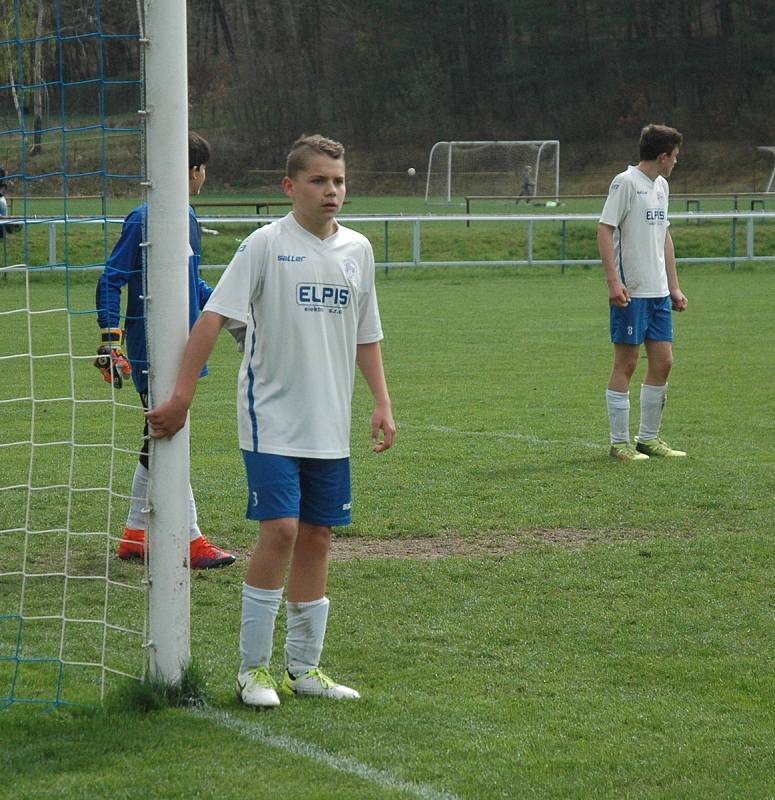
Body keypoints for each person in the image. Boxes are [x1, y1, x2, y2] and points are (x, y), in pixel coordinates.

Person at [146, 134, 395, 707]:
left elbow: (367, 333)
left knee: (318, 536)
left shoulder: (358, 249)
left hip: (330, 423)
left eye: (338, 181)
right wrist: (184, 395)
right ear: (290, 187)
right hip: (271, 420)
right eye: (318, 180)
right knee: (281, 531)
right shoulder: (264, 245)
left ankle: (304, 669)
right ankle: (252, 670)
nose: (331, 190)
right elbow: (211, 320)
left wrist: (382, 401)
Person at [95, 131, 236, 568]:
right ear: (193, 170)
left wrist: (232, 310)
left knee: (155, 439)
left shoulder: (187, 217)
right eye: (203, 169)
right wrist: (109, 340)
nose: (204, 177)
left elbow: (191, 281)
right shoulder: (144, 218)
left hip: (184, 346)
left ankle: (136, 535)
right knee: (168, 436)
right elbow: (110, 278)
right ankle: (191, 541)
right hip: (150, 348)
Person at [597, 123, 688, 461]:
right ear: (662, 156)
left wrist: (674, 287)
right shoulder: (626, 183)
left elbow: (663, 236)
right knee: (628, 362)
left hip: (658, 292)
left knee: (663, 362)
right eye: (675, 157)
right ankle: (619, 443)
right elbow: (605, 230)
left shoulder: (661, 186)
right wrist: (613, 281)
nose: (676, 162)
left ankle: (648, 439)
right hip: (631, 292)